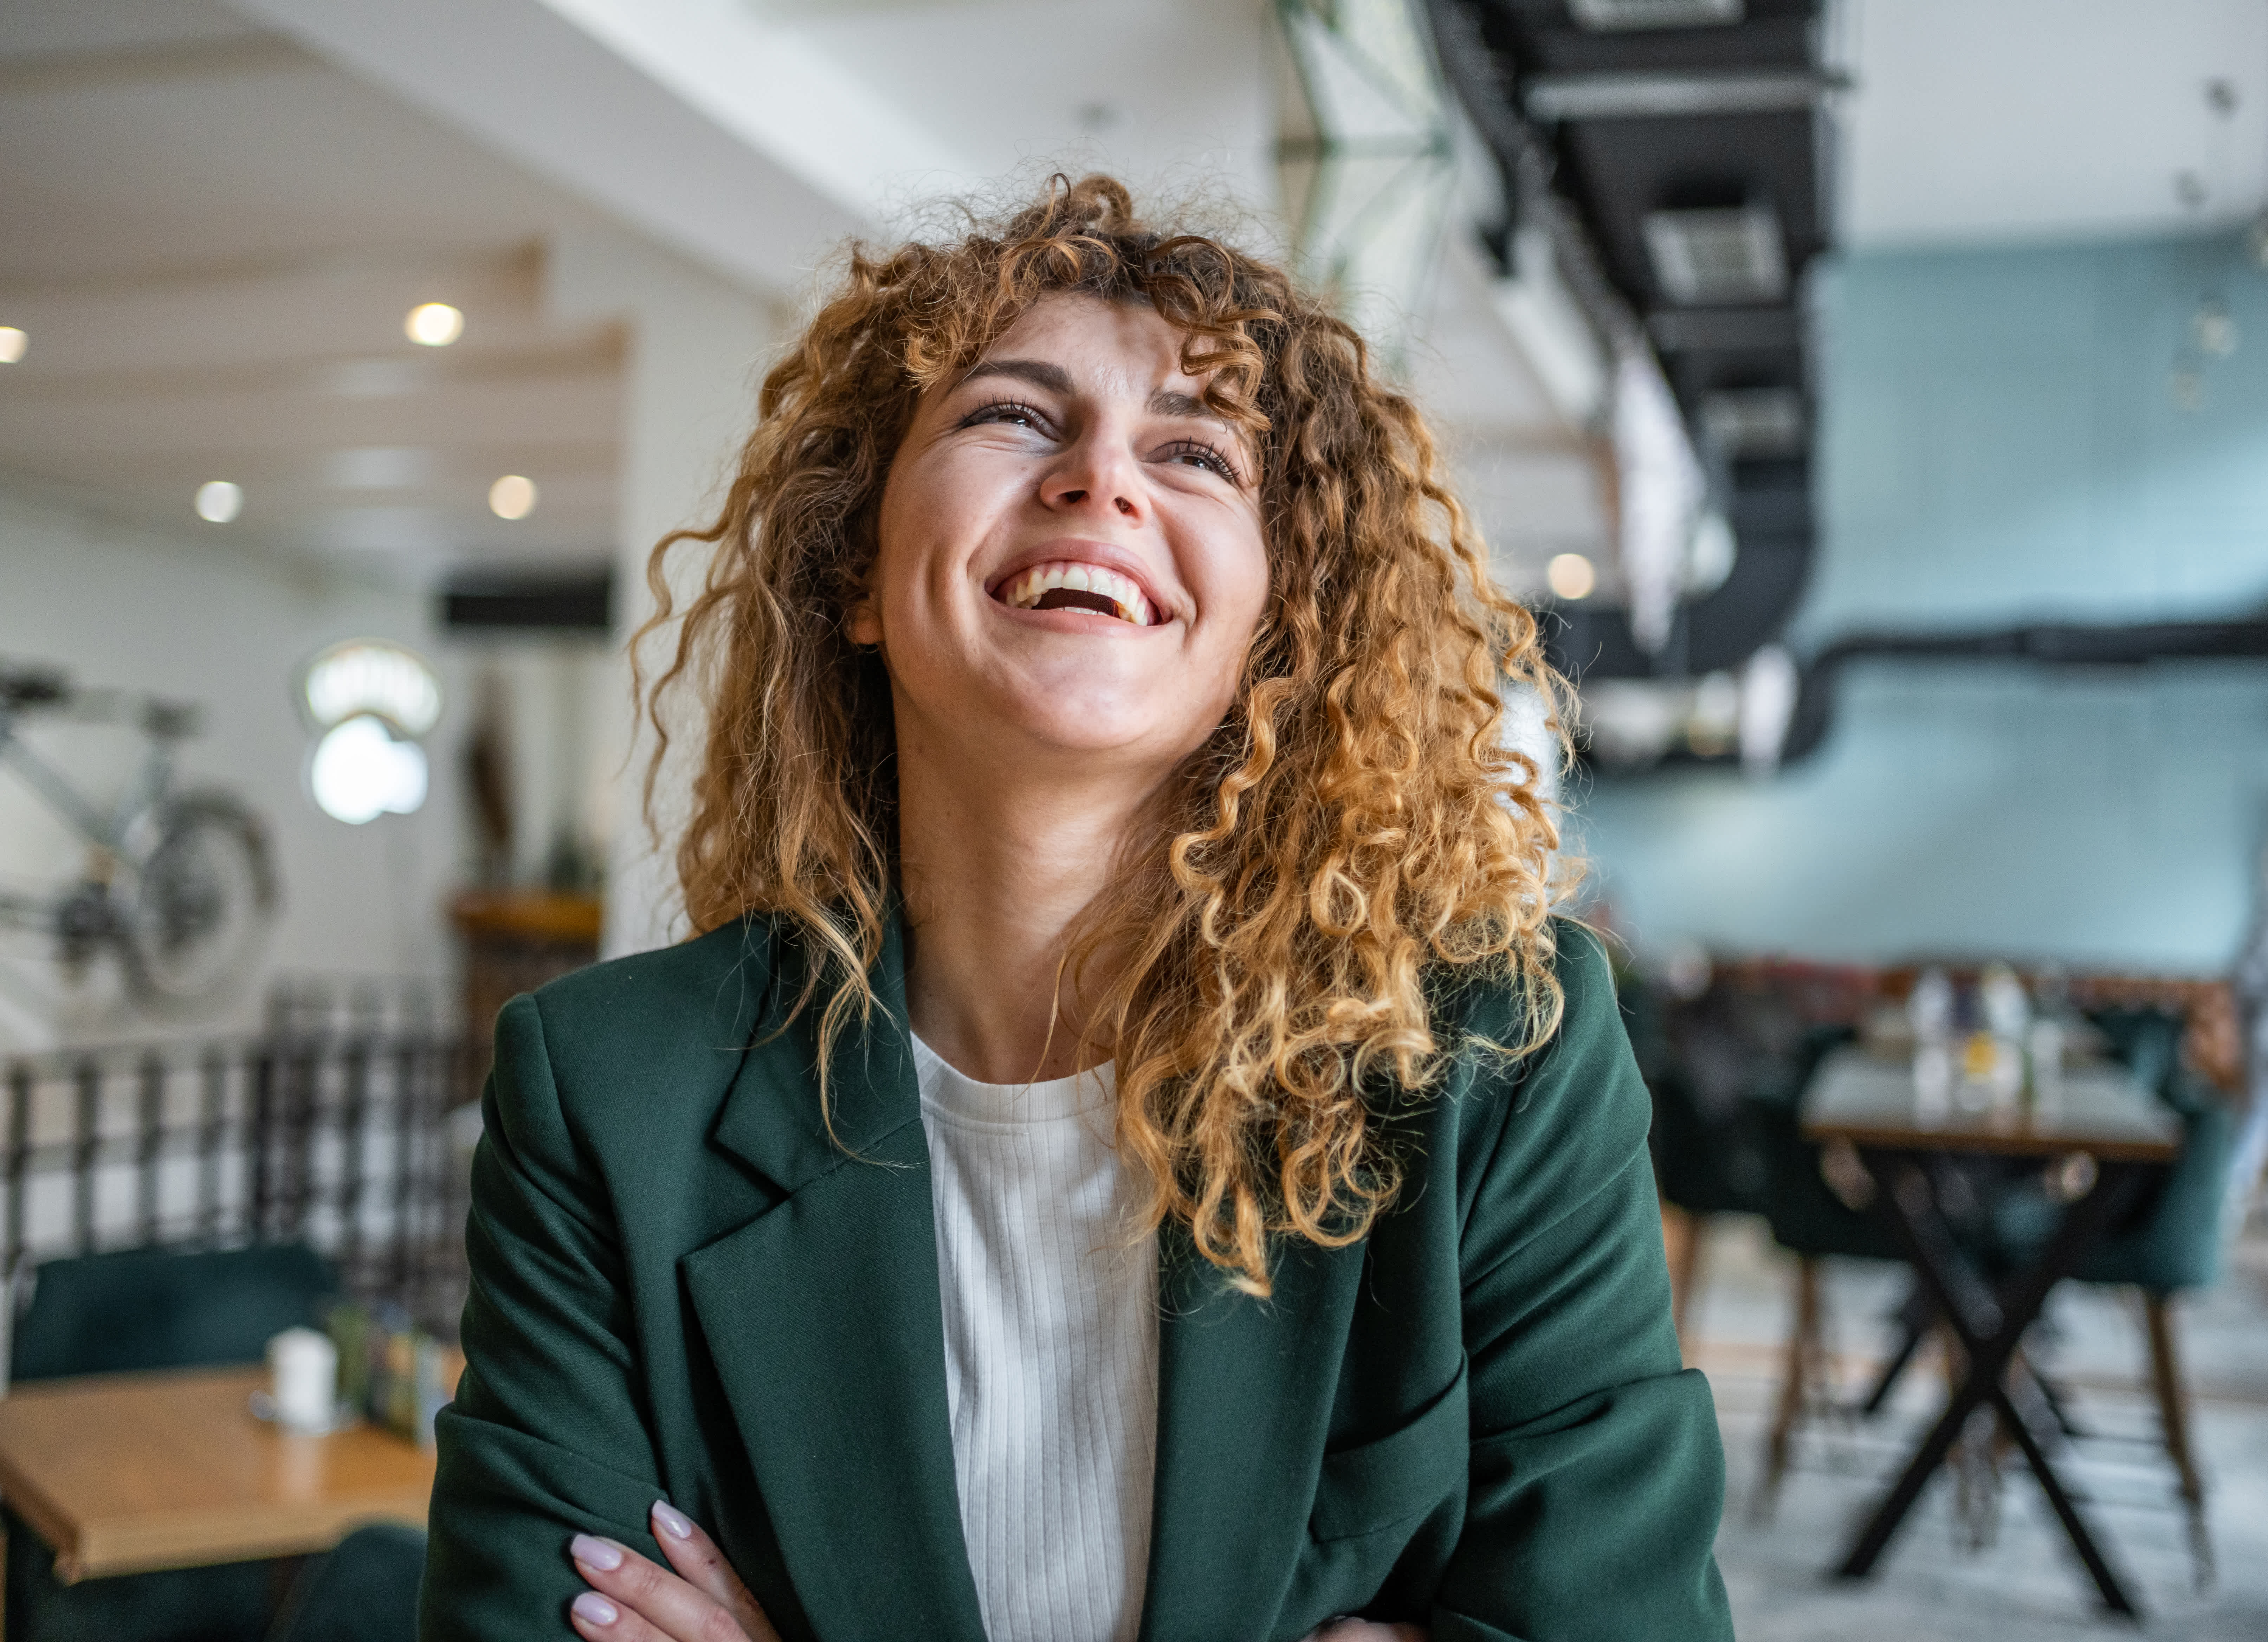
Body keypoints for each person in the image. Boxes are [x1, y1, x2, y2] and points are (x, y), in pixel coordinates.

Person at [419, 176, 1731, 1642]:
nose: (1101, 478)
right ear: (855, 568)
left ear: (1274, 623)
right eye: (1012, 416)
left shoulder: (1499, 1045)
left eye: (1194, 452)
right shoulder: (610, 1090)